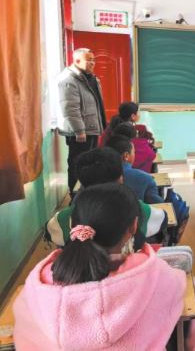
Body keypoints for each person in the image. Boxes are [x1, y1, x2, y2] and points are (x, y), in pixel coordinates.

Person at [14, 184, 186, 350]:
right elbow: (178, 288)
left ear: (72, 225)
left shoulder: (36, 288)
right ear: (134, 226)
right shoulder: (156, 276)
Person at [45, 147, 166, 249]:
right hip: (132, 268)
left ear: (82, 184)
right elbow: (162, 218)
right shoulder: (138, 209)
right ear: (121, 179)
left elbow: (50, 230)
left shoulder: (65, 218)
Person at [57, 48, 107, 192]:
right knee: (78, 164)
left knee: (90, 164)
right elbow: (70, 108)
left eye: (94, 60)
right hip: (80, 133)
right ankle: (76, 196)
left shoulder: (90, 78)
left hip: (91, 129)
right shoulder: (69, 80)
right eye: (89, 60)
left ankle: (88, 192)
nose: (93, 63)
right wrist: (79, 130)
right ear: (77, 61)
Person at [106, 135, 164, 204]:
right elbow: (158, 204)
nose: (134, 154)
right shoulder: (145, 178)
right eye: (134, 152)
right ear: (126, 156)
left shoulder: (97, 174)